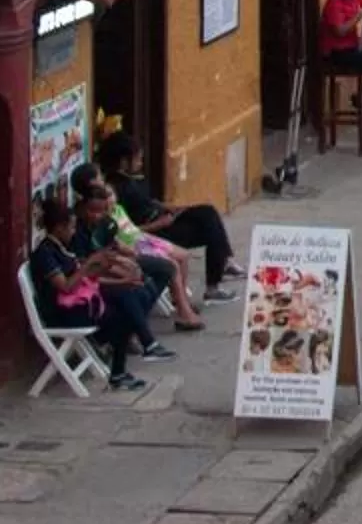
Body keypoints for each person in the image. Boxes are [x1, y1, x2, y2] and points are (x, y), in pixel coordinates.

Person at [98, 132, 237, 300]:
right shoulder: (114, 191)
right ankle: (216, 278)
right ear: (123, 161)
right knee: (210, 229)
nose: (140, 163)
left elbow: (149, 202)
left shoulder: (132, 178)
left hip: (162, 219)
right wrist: (160, 224)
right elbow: (126, 231)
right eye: (137, 159)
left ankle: (222, 262)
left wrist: (173, 208)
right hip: (152, 233)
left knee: (207, 212)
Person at [31, 193, 147, 392]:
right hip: (62, 313)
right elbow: (66, 286)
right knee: (121, 318)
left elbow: (85, 279)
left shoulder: (62, 248)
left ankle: (117, 366)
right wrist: (87, 266)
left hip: (77, 305)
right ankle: (118, 370)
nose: (74, 232)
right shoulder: (45, 253)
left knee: (124, 305)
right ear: (59, 228)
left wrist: (105, 265)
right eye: (71, 228)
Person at [75, 167, 201, 334]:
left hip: (126, 251)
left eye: (108, 202)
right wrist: (125, 266)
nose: (102, 213)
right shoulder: (82, 230)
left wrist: (126, 259)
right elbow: (91, 263)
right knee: (165, 268)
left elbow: (117, 243)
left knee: (174, 262)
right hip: (116, 260)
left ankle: (179, 304)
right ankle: (168, 316)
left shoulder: (107, 218)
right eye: (96, 210)